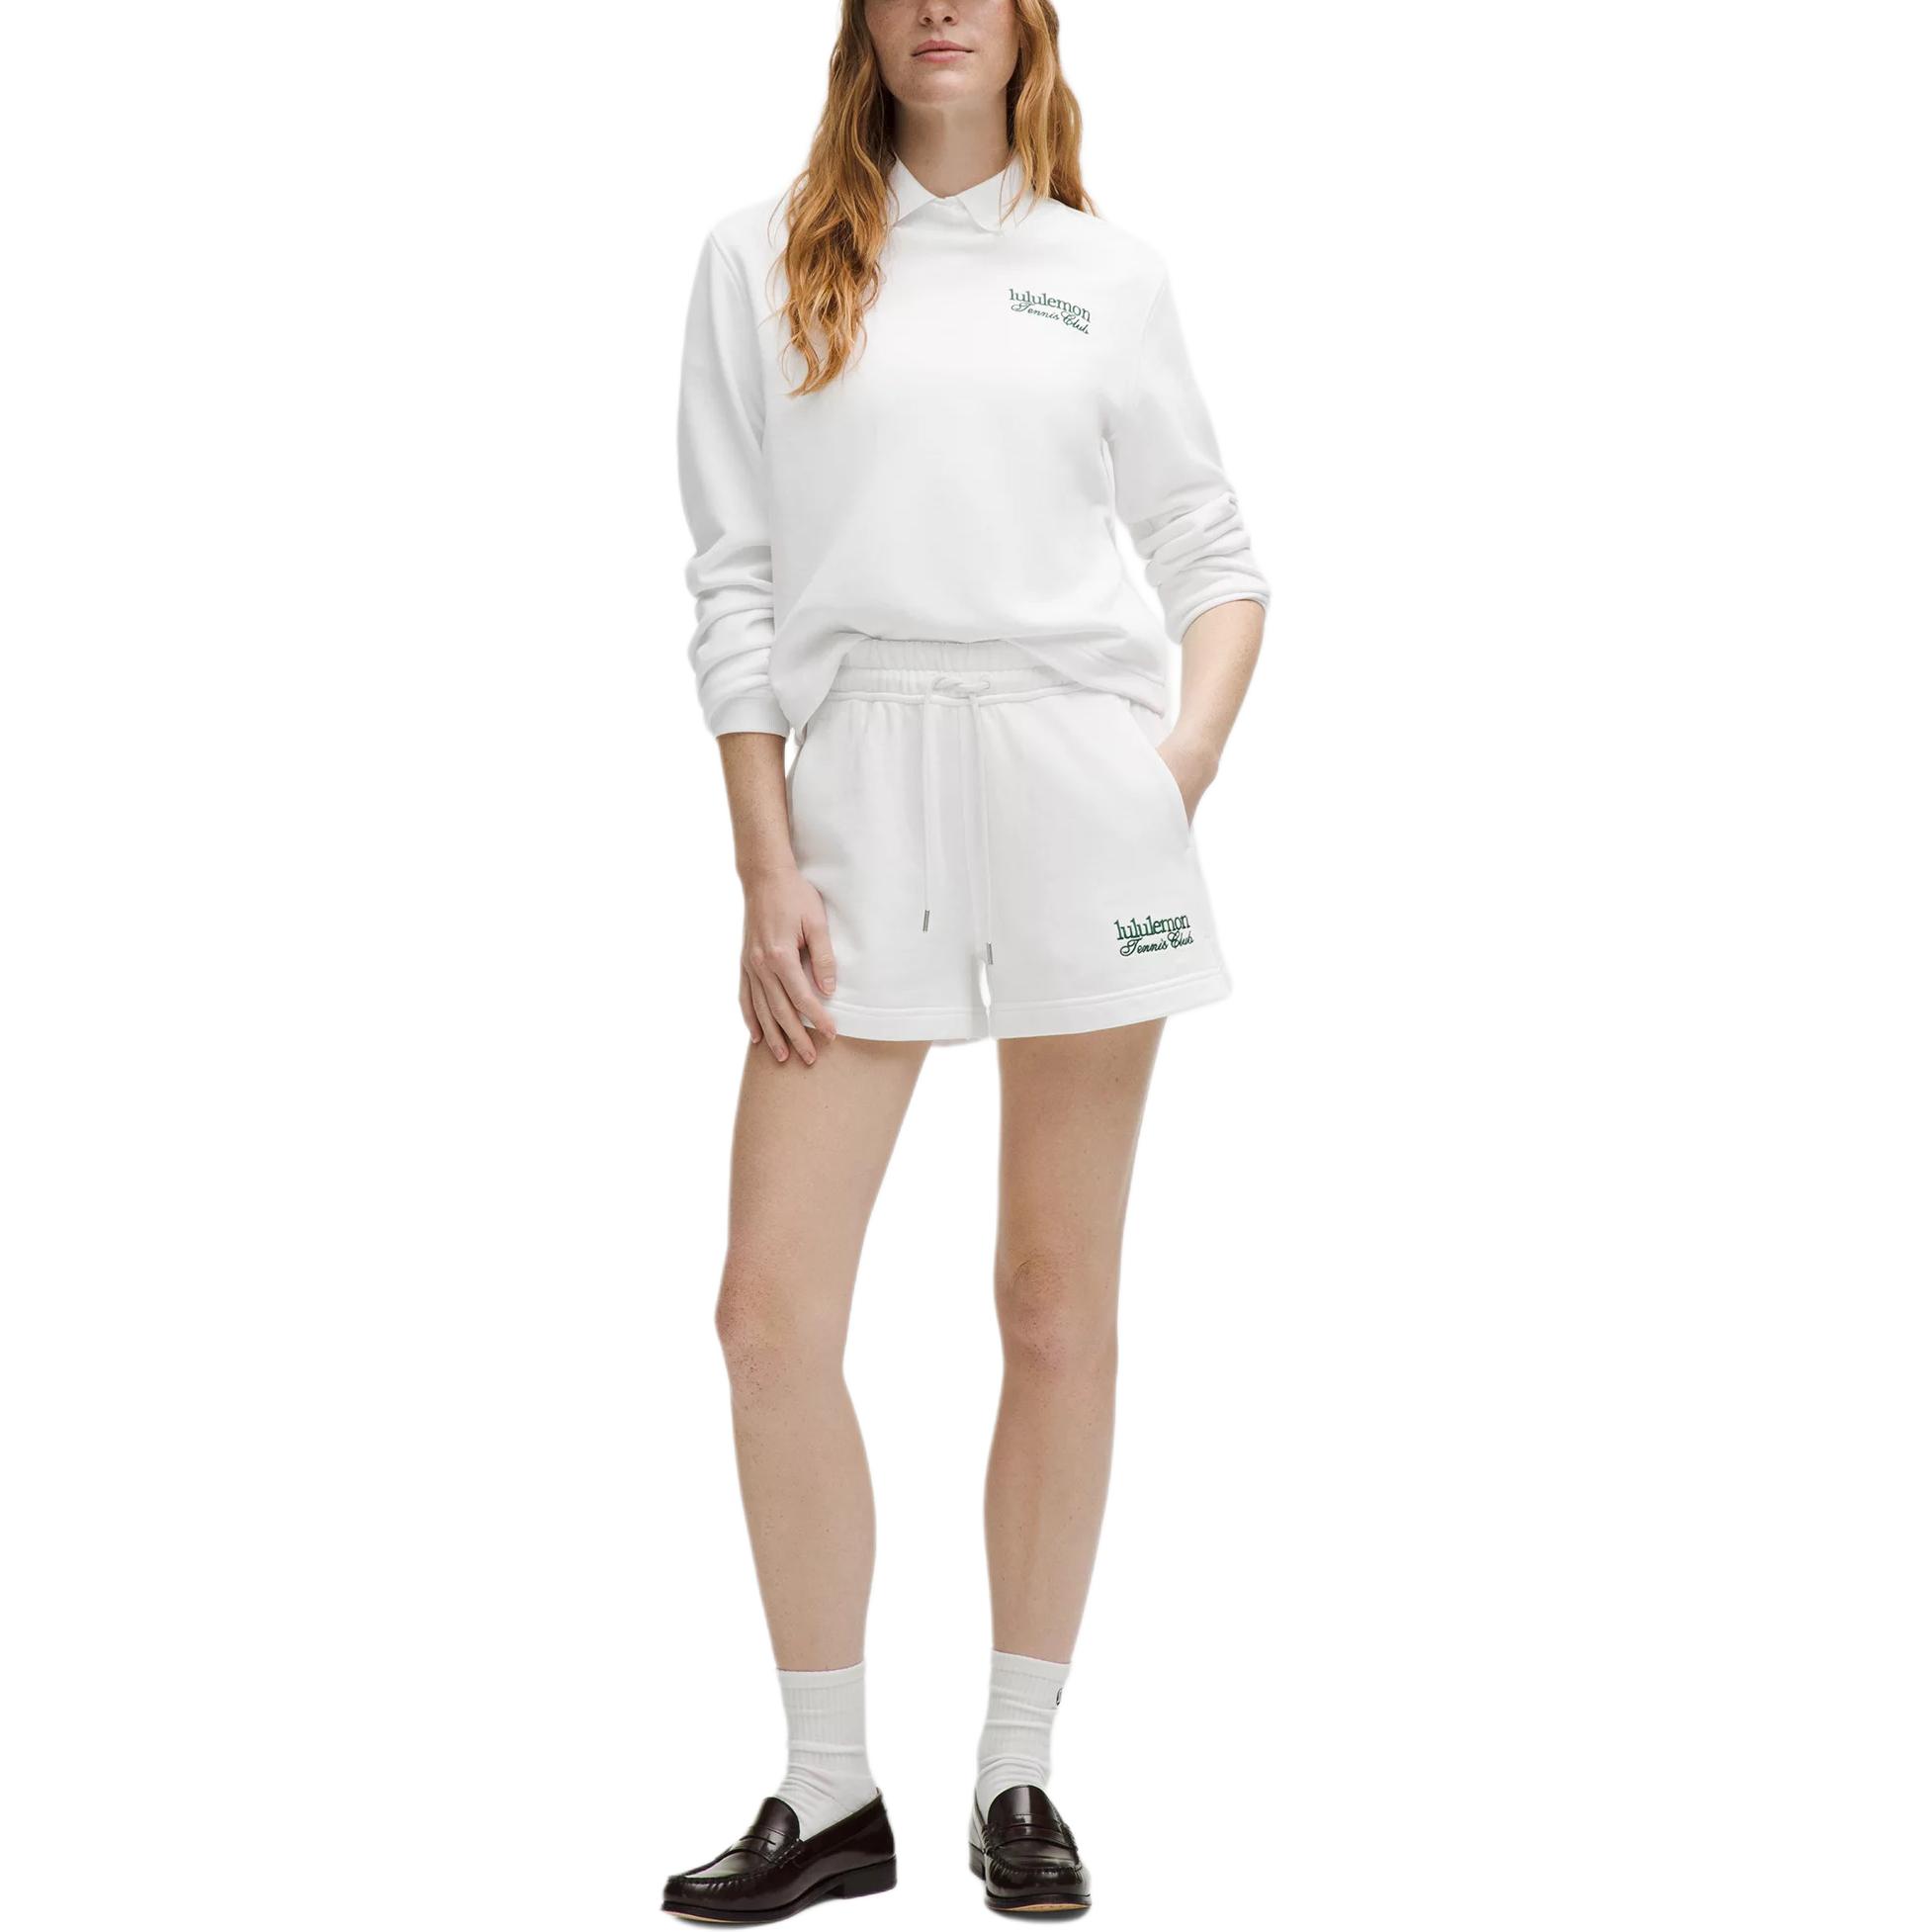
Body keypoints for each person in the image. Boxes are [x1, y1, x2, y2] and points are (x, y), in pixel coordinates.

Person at [663, 2, 1268, 1918]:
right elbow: (733, 576)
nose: (939, 4)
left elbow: (1212, 551)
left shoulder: (1106, 273)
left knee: (1050, 1298)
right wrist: (764, 857)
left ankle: (1018, 1767)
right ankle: (828, 1786)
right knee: (767, 1308)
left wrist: (1169, 770)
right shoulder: (757, 258)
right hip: (858, 791)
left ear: (1024, 25)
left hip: (1075, 788)